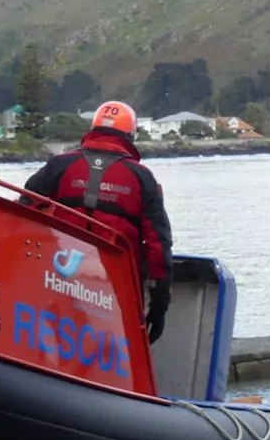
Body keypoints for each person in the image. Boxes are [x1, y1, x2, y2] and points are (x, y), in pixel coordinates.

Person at [22, 101, 174, 344]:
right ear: (130, 134)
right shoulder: (142, 178)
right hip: (115, 285)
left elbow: (22, 214)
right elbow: (158, 245)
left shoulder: (58, 167)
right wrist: (159, 303)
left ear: (94, 127)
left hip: (58, 277)